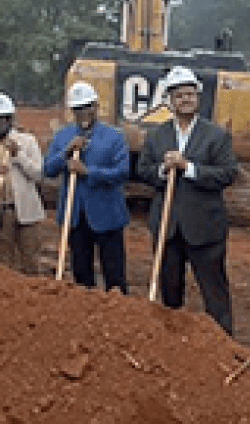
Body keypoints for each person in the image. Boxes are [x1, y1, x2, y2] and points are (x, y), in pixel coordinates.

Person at [137, 66, 237, 335]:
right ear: (170, 100)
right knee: (170, 295)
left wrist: (188, 167)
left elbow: (228, 173)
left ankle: (223, 346)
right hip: (168, 228)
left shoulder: (216, 135)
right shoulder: (157, 135)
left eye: (190, 94)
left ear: (198, 97)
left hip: (205, 229)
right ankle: (174, 345)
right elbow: (143, 170)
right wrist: (162, 170)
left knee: (214, 292)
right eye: (179, 95)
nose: (185, 99)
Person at [44, 81, 130, 292]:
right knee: (81, 273)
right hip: (75, 216)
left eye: (87, 107)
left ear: (95, 107)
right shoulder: (63, 136)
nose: (84, 113)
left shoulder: (114, 136)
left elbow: (122, 172)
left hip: (107, 215)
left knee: (114, 273)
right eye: (78, 109)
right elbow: (48, 169)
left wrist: (89, 172)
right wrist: (66, 152)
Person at [0, 93, 45, 274]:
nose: (1, 122)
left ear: (11, 118)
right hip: (0, 214)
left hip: (26, 212)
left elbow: (38, 174)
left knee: (30, 263)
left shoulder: (27, 142)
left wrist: (18, 155)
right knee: (3, 266)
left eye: (5, 118)